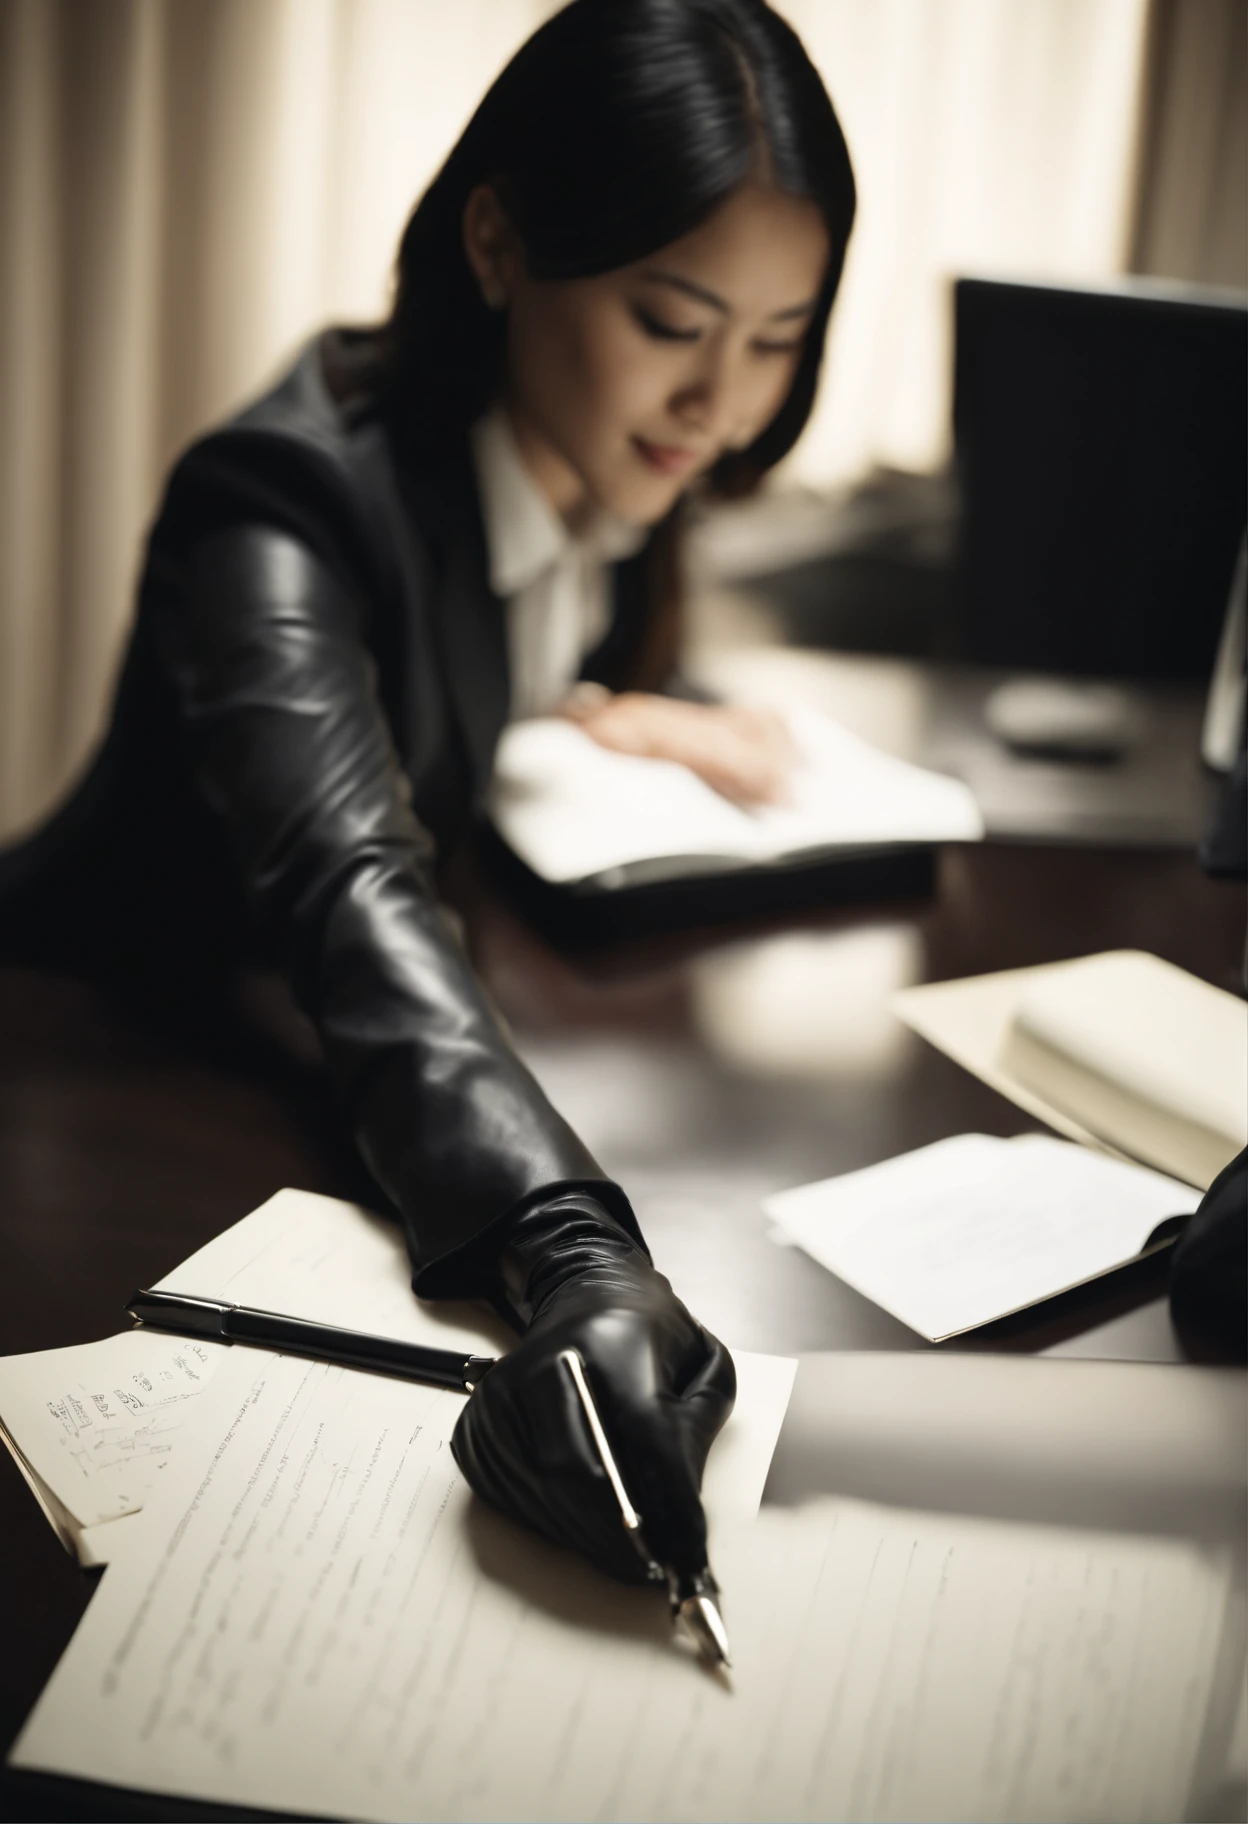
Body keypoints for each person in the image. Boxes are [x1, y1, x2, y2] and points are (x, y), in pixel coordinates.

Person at [0, 0, 855, 1591]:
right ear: (496, 243)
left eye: (777, 339)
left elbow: (473, 662)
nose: (719, 406)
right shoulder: (276, 502)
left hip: (296, 1075)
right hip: (89, 1071)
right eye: (673, 323)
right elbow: (346, 878)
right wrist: (575, 1255)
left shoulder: (591, 459)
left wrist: (621, 713)